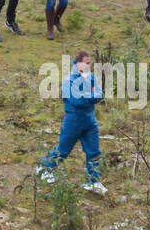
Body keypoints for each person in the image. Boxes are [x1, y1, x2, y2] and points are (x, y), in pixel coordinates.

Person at [36, 51, 107, 194]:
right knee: (63, 150)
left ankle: (93, 181)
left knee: (94, 151)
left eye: (90, 63)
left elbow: (100, 94)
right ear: (77, 63)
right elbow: (76, 101)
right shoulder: (69, 81)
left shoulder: (92, 78)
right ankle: (44, 168)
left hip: (90, 119)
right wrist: (91, 96)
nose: (89, 66)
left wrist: (86, 95)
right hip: (73, 120)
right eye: (86, 63)